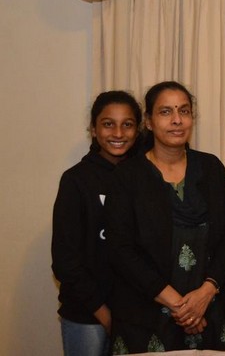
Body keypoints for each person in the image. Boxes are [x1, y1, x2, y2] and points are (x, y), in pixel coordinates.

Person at [105, 81, 225, 353]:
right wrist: (182, 307)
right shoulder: (127, 176)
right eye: (166, 112)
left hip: (210, 310)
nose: (177, 120)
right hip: (146, 316)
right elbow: (121, 250)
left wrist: (204, 295)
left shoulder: (211, 168)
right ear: (149, 122)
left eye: (184, 111)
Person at [52, 90, 142, 356]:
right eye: (108, 124)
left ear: (138, 130)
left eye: (127, 124)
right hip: (87, 314)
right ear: (93, 129)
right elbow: (65, 260)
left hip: (136, 313)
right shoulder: (76, 180)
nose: (118, 133)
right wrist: (103, 313)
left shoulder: (144, 177)